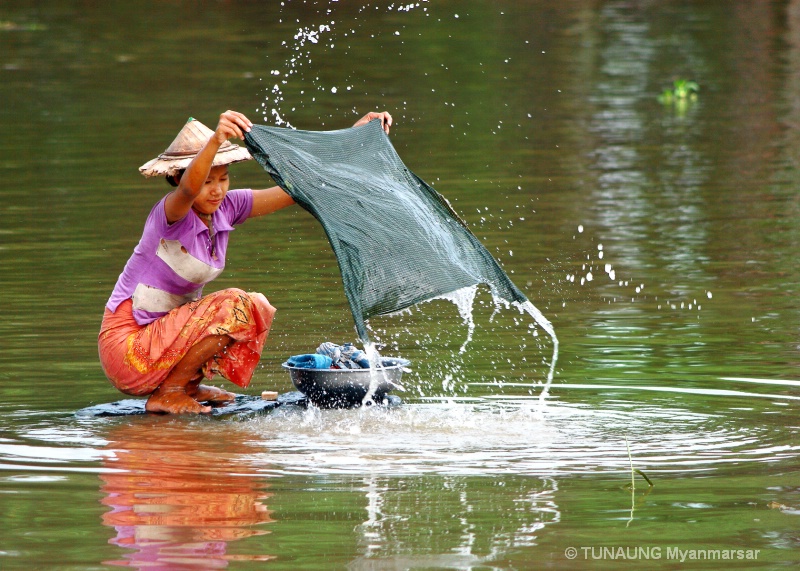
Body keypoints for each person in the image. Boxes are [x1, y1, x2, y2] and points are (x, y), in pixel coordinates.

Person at [99, 109, 393, 414]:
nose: (216, 189)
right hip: (127, 349)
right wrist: (216, 139)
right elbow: (188, 189)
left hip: (162, 341)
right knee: (236, 304)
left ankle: (185, 386)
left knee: (256, 307)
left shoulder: (227, 208)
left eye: (223, 178)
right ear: (177, 177)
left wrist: (353, 139)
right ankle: (170, 392)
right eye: (207, 181)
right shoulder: (171, 214)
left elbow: (297, 188)